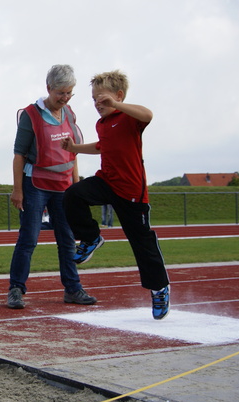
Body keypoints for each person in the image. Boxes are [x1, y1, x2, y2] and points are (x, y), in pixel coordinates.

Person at [62, 70, 170, 320]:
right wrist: (74, 148)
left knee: (142, 244)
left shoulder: (130, 118)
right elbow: (102, 146)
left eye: (103, 99)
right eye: (94, 100)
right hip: (106, 181)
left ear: (119, 96)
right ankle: (90, 238)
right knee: (73, 195)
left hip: (131, 191)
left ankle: (159, 288)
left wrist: (118, 105)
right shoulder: (102, 124)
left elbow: (148, 115)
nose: (98, 105)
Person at [7, 64, 97, 309]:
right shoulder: (31, 115)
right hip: (35, 185)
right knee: (28, 239)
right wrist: (18, 190)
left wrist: (76, 187)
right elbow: (18, 155)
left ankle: (73, 289)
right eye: (60, 93)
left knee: (67, 239)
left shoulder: (69, 113)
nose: (65, 98)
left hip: (64, 187)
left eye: (69, 93)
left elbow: (73, 153)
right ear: (49, 88)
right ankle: (16, 289)